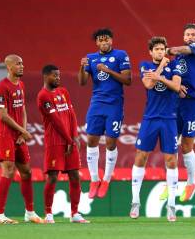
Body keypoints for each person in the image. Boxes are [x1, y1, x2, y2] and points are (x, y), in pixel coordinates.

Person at [130, 37, 182, 222]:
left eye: (163, 49)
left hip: (169, 119)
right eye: (157, 49)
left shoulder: (175, 65)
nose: (161, 51)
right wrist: (160, 71)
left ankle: (171, 205)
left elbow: (176, 86)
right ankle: (135, 201)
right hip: (150, 118)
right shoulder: (145, 65)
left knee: (171, 160)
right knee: (141, 156)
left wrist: (159, 76)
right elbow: (148, 84)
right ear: (151, 52)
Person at [77, 28, 131, 199]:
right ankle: (94, 179)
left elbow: (127, 80)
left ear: (111, 40)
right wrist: (82, 67)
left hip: (114, 105)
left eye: (106, 39)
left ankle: (106, 179)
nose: (104, 42)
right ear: (97, 43)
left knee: (110, 142)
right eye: (100, 40)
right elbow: (82, 82)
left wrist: (108, 70)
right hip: (97, 104)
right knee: (91, 140)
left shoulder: (121, 55)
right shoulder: (91, 58)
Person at [0, 54, 43, 224]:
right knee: (8, 170)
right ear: (9, 67)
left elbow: (22, 109)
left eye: (22, 63)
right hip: (5, 134)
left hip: (18, 135)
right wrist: (22, 130)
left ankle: (30, 212)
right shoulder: (2, 87)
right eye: (18, 64)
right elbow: (3, 116)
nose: (22, 66)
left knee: (27, 172)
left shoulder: (21, 84)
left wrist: (23, 132)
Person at [37, 64, 89, 224]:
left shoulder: (64, 92)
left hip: (69, 141)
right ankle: (49, 214)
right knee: (52, 177)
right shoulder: (43, 96)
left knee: (75, 176)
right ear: (46, 77)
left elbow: (71, 115)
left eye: (59, 75)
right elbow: (56, 121)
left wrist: (74, 137)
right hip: (55, 142)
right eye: (55, 75)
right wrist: (68, 140)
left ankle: (74, 213)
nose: (58, 78)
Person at [166, 23, 195, 202]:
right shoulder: (177, 60)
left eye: (193, 35)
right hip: (177, 104)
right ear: (183, 36)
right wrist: (177, 85)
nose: (190, 37)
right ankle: (171, 183)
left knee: (186, 145)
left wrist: (169, 49)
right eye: (187, 35)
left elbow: (182, 49)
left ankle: (191, 182)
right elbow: (172, 77)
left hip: (193, 104)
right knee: (171, 143)